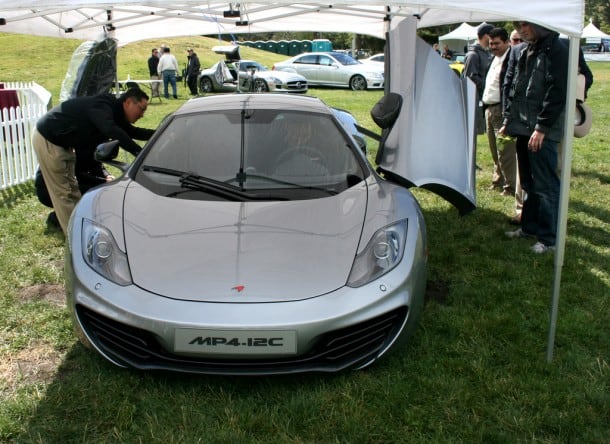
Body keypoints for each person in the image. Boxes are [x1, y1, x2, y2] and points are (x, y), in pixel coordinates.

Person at [32, 88, 155, 234]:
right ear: (128, 102)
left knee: (73, 190)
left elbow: (134, 132)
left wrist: (162, 133)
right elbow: (111, 130)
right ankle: (74, 236)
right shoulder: (102, 106)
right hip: (49, 138)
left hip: (64, 143)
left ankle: (81, 228)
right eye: (141, 109)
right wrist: (138, 154)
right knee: (63, 193)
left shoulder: (114, 113)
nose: (142, 114)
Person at [501, 21, 568, 254]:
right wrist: (509, 119)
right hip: (523, 128)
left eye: (525, 25)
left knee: (546, 185)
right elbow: (517, 88)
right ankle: (529, 228)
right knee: (528, 183)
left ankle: (549, 240)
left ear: (540, 24)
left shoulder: (558, 49)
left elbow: (556, 91)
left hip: (542, 131)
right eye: (518, 25)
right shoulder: (527, 49)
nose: (521, 30)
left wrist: (541, 127)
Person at [482, 27, 516, 196]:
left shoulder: (510, 59)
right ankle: (498, 181)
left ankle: (510, 187)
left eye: (496, 43)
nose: (493, 47)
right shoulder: (494, 59)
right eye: (490, 44)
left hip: (501, 110)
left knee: (505, 151)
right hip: (489, 109)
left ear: (507, 42)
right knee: (495, 150)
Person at [503, 29, 528, 225]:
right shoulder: (517, 51)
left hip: (550, 125)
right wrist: (508, 119)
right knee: (524, 169)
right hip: (522, 123)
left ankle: (548, 215)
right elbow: (509, 83)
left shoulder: (564, 48)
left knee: (552, 171)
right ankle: (522, 211)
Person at [462, 23, 493, 135]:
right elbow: (471, 78)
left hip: (484, 97)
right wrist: (488, 85)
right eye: (492, 35)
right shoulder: (473, 55)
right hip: (475, 99)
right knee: (473, 131)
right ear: (486, 36)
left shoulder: (487, 53)